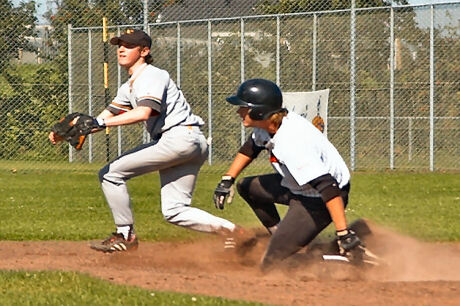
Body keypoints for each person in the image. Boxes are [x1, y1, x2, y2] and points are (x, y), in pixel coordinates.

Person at [49, 29, 243, 253]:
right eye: (119, 45)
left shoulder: (151, 75)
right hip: (189, 141)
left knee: (110, 174)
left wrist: (99, 124)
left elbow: (144, 113)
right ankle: (232, 231)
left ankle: (125, 235)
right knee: (175, 210)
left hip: (178, 138)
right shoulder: (129, 86)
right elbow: (101, 119)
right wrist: (69, 132)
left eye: (129, 45)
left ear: (145, 51)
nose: (121, 49)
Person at [213, 78, 364, 270]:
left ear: (259, 112)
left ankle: (344, 254)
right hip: (298, 186)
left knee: (272, 265)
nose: (238, 111)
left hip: (318, 199)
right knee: (247, 187)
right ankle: (283, 237)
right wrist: (228, 179)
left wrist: (343, 232)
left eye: (244, 107)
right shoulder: (269, 125)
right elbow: (250, 148)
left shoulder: (291, 143)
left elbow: (328, 186)